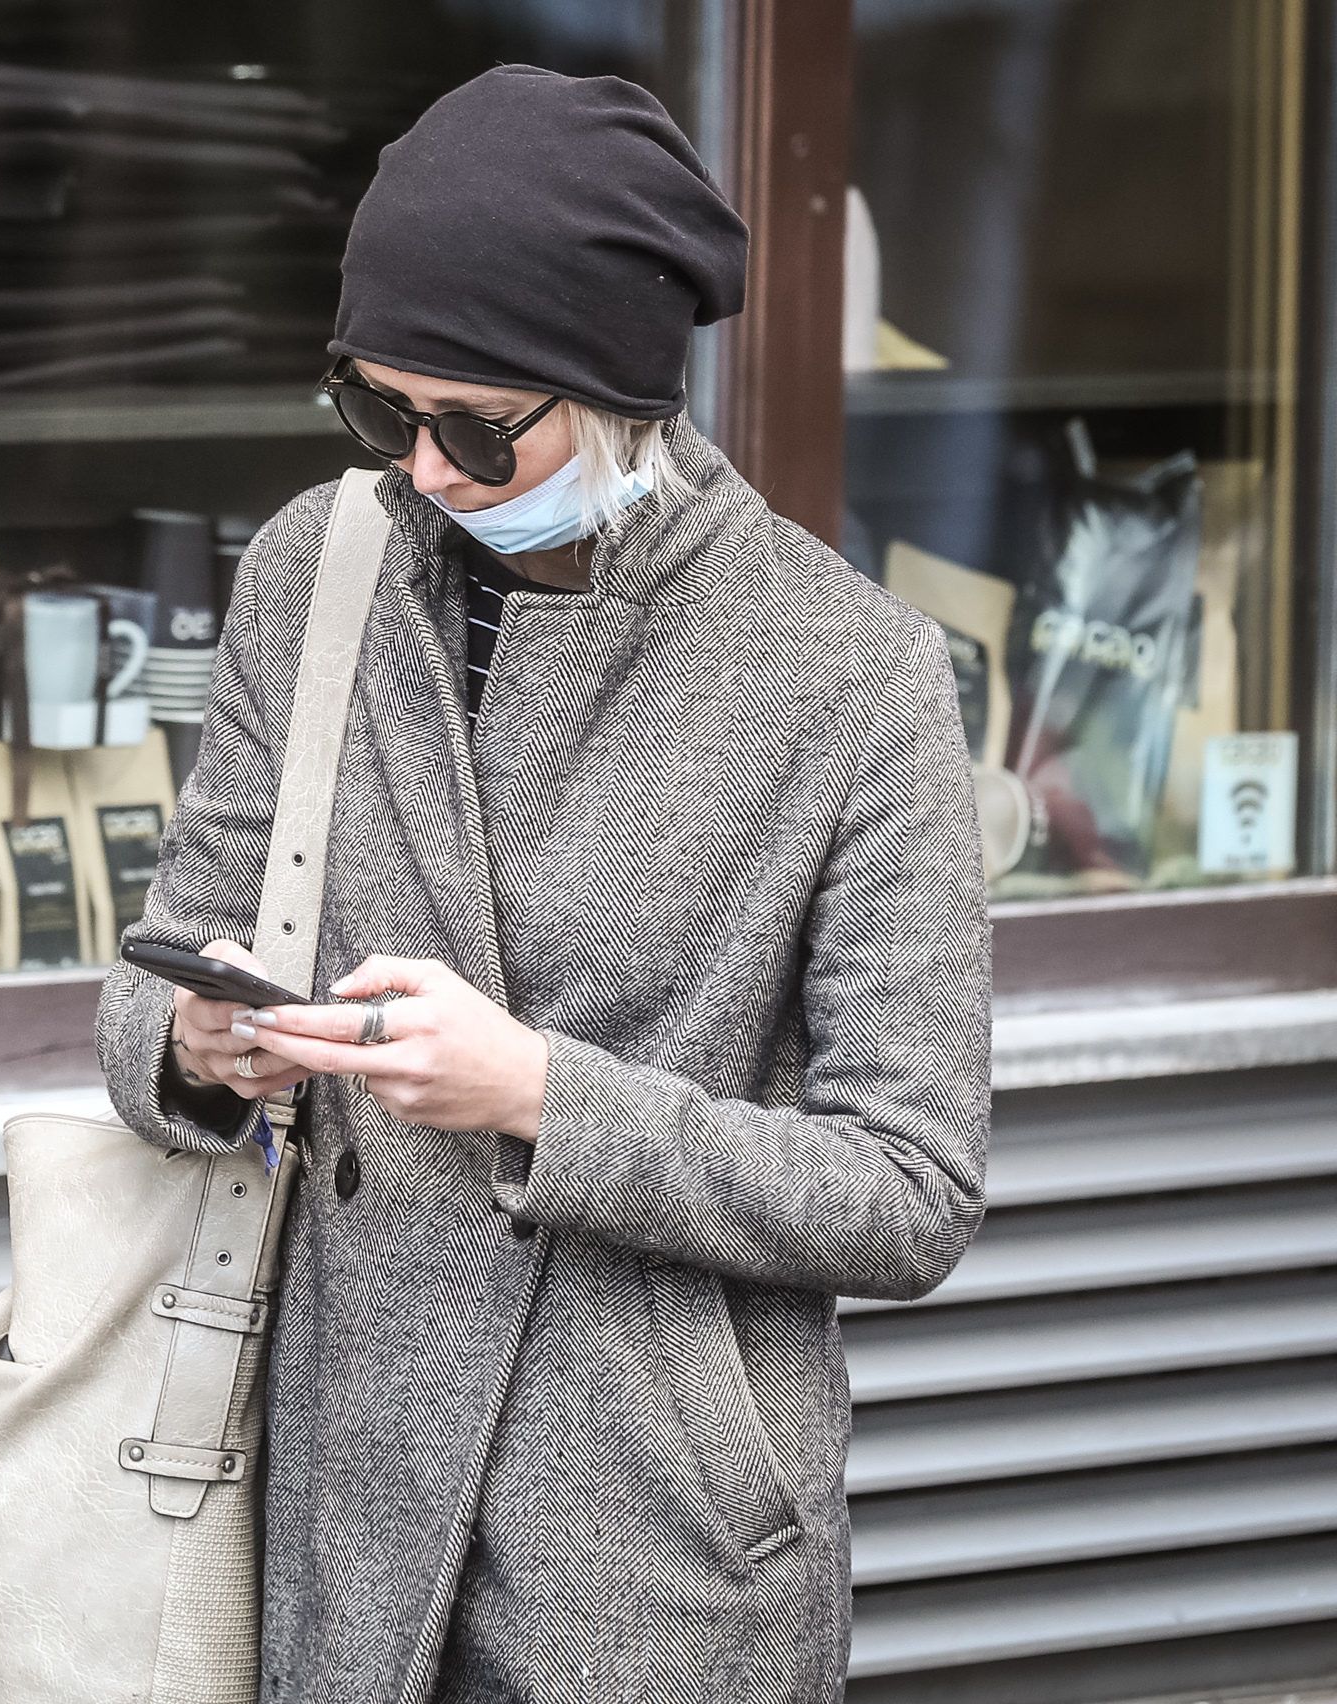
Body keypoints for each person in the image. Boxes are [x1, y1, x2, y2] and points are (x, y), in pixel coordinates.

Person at [97, 65, 990, 1703]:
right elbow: (176, 948)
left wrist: (539, 1097)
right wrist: (193, 1045)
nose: (422, 470)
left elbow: (911, 1190)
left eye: (474, 428)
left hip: (653, 1540)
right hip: (337, 1489)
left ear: (618, 391)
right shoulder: (320, 567)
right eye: (381, 410)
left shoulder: (849, 676)